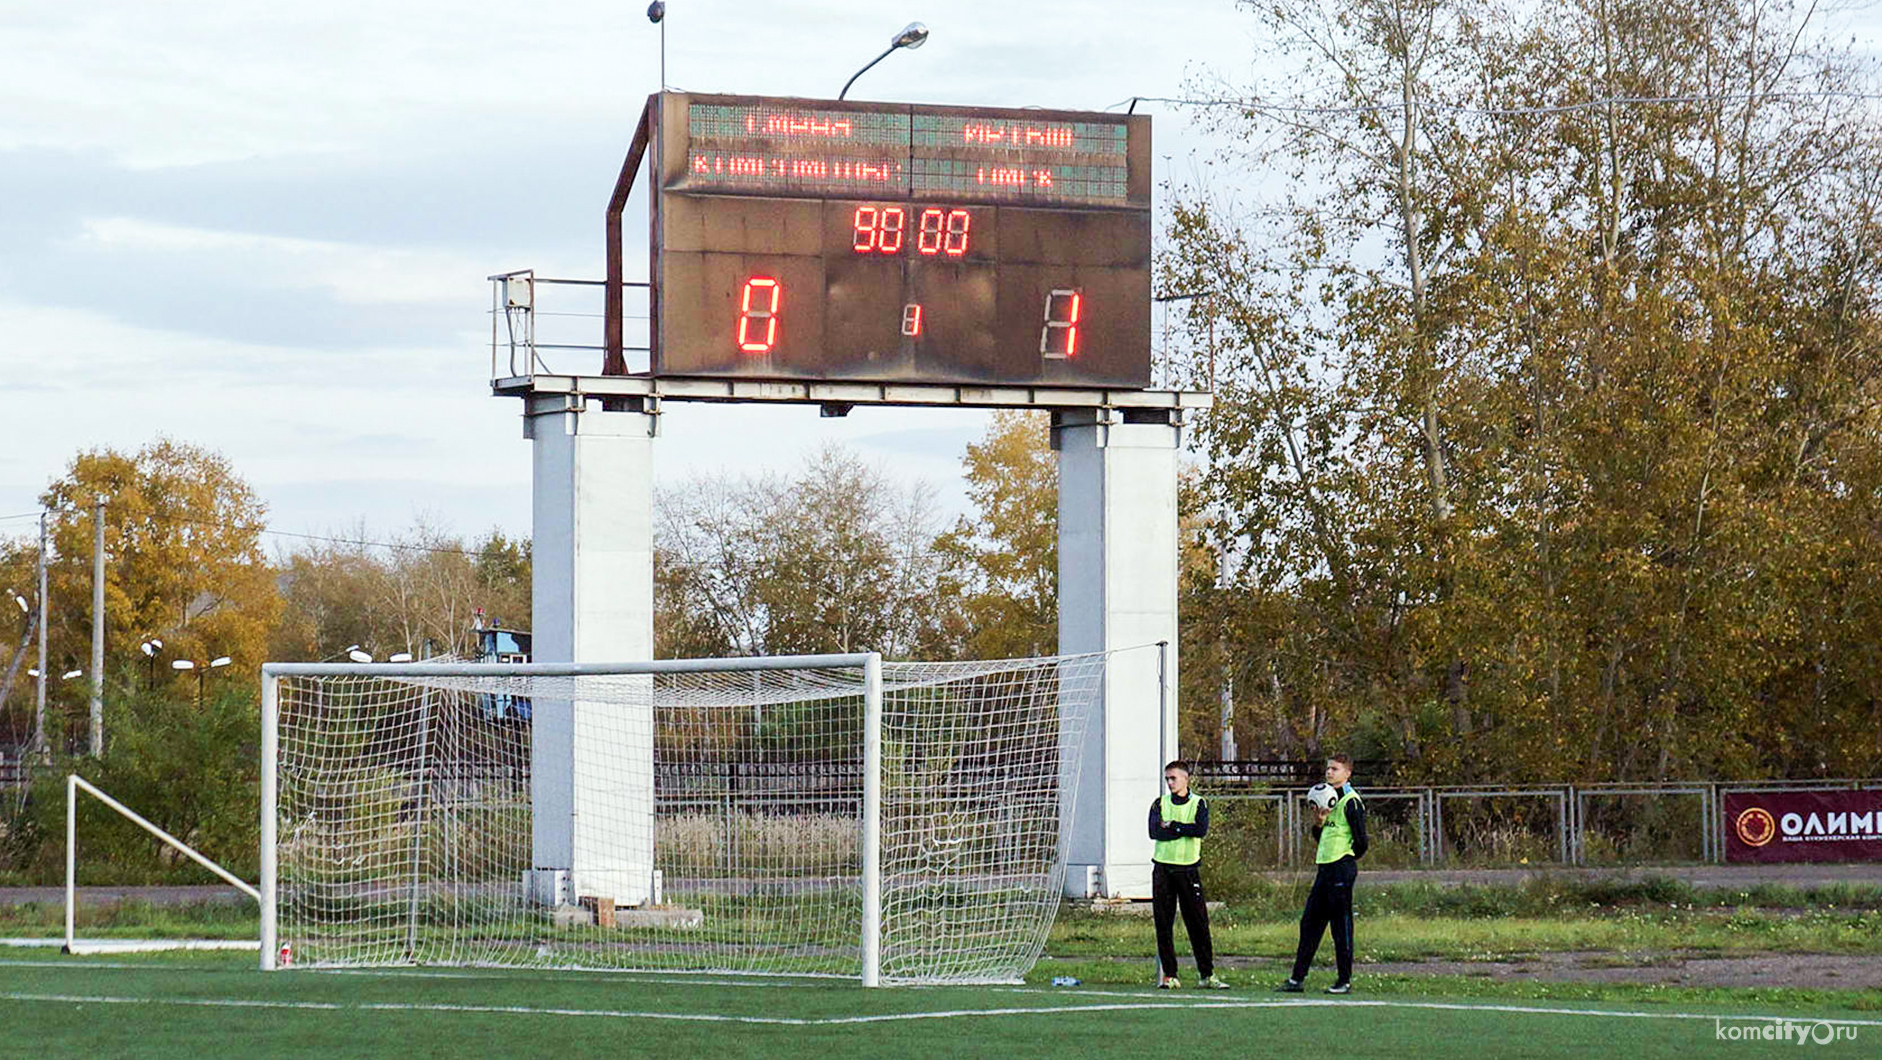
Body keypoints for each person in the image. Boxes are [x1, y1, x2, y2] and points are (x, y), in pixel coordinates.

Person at [1275, 752, 1368, 994]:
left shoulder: (1351, 801)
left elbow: (1362, 841)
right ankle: (1297, 979)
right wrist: (1319, 821)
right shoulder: (1325, 797)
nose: (1329, 772)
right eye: (1328, 768)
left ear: (1347, 773)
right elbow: (1320, 836)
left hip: (1341, 868)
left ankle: (1343, 980)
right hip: (1324, 868)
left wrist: (1346, 858)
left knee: (1341, 927)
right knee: (1310, 923)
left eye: (1335, 769)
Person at [1148, 759, 1229, 989]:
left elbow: (1199, 830)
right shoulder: (1159, 804)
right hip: (1163, 869)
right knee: (1163, 924)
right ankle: (1170, 975)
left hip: (1188, 870)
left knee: (1198, 923)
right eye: (1167, 779)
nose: (1170, 783)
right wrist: (1181, 829)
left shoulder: (1198, 803)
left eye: (1173, 778)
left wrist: (1173, 826)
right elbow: (1154, 832)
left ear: (1186, 779)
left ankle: (1207, 974)